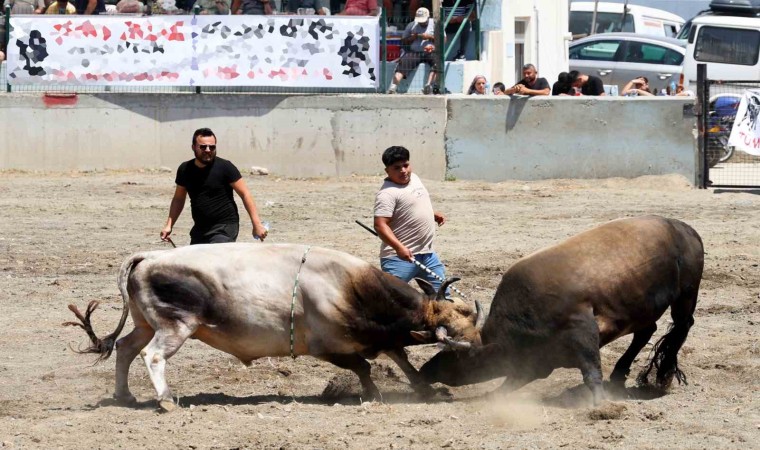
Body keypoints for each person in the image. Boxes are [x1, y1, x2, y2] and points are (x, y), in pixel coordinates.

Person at [161, 128, 269, 245]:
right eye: (203, 147)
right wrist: (169, 225)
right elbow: (179, 198)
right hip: (200, 229)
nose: (208, 150)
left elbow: (245, 194)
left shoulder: (225, 167)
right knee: (196, 261)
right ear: (193, 147)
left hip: (225, 227)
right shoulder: (185, 169)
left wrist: (257, 224)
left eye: (212, 147)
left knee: (215, 258)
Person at [373, 146, 448, 292]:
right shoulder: (387, 194)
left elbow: (414, 203)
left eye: (405, 165)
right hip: (399, 259)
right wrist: (399, 248)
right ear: (387, 171)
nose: (403, 171)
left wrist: (432, 214)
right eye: (397, 168)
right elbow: (380, 225)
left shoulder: (414, 179)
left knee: (443, 297)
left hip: (427, 254)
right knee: (391, 302)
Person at [387, 7, 439, 95]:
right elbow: (403, 41)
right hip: (415, 52)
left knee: (437, 63)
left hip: (430, 51)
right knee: (404, 62)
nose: (422, 23)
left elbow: (443, 40)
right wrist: (412, 38)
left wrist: (430, 37)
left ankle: (429, 85)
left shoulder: (435, 24)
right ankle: (393, 87)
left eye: (423, 21)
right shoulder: (412, 25)